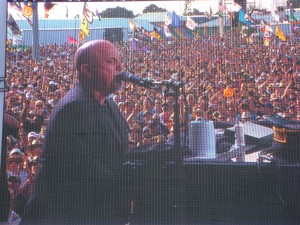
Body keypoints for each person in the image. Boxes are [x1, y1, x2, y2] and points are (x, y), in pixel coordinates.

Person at [22, 40, 131, 225]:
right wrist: (134, 181)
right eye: (111, 62)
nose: (120, 68)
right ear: (86, 70)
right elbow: (88, 171)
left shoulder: (109, 105)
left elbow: (120, 153)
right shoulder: (73, 109)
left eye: (119, 62)